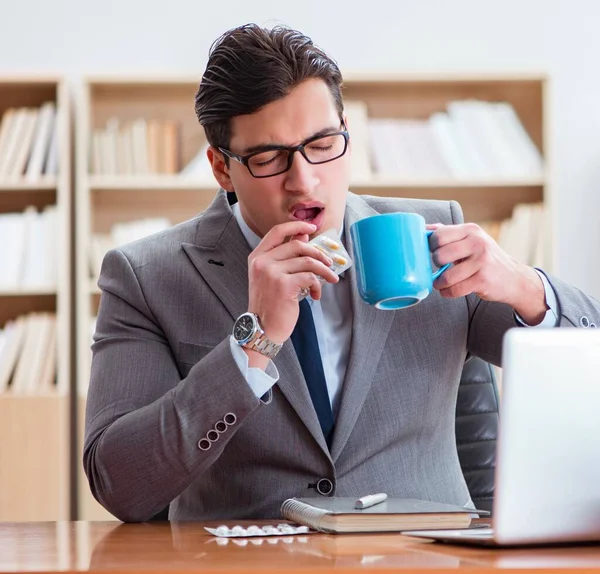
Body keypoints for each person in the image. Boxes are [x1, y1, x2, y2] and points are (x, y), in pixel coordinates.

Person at [84, 23, 600, 522]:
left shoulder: (432, 232)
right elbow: (121, 486)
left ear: (347, 133)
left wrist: (526, 288)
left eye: (323, 144)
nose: (304, 180)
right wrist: (252, 342)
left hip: (424, 559)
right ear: (222, 168)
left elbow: (587, 366)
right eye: (269, 157)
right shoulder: (146, 277)